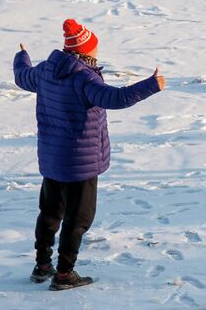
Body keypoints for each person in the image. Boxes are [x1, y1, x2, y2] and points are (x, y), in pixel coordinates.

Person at [12, 19, 165, 289]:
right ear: (86, 50)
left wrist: (22, 55)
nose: (96, 52)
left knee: (49, 214)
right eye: (94, 47)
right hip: (80, 164)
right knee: (78, 219)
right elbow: (115, 98)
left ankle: (42, 266)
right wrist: (151, 85)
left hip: (52, 160)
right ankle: (63, 275)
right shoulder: (84, 78)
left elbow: (22, 75)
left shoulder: (47, 70)